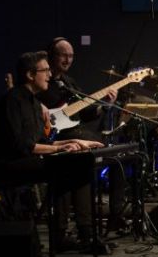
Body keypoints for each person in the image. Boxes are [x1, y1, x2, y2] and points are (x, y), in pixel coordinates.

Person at [0, 50, 104, 250]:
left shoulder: (34, 102)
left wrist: (77, 141)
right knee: (67, 166)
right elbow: (22, 146)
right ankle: (64, 235)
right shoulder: (12, 100)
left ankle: (82, 233)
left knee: (80, 161)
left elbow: (40, 141)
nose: (50, 75)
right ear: (31, 75)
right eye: (45, 70)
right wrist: (62, 147)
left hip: (26, 157)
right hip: (8, 164)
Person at [41, 37, 125, 226]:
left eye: (71, 56)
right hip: (58, 139)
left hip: (78, 133)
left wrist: (106, 104)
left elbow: (87, 114)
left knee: (118, 158)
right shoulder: (42, 84)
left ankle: (115, 215)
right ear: (52, 56)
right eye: (64, 55)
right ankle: (82, 226)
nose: (68, 60)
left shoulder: (69, 82)